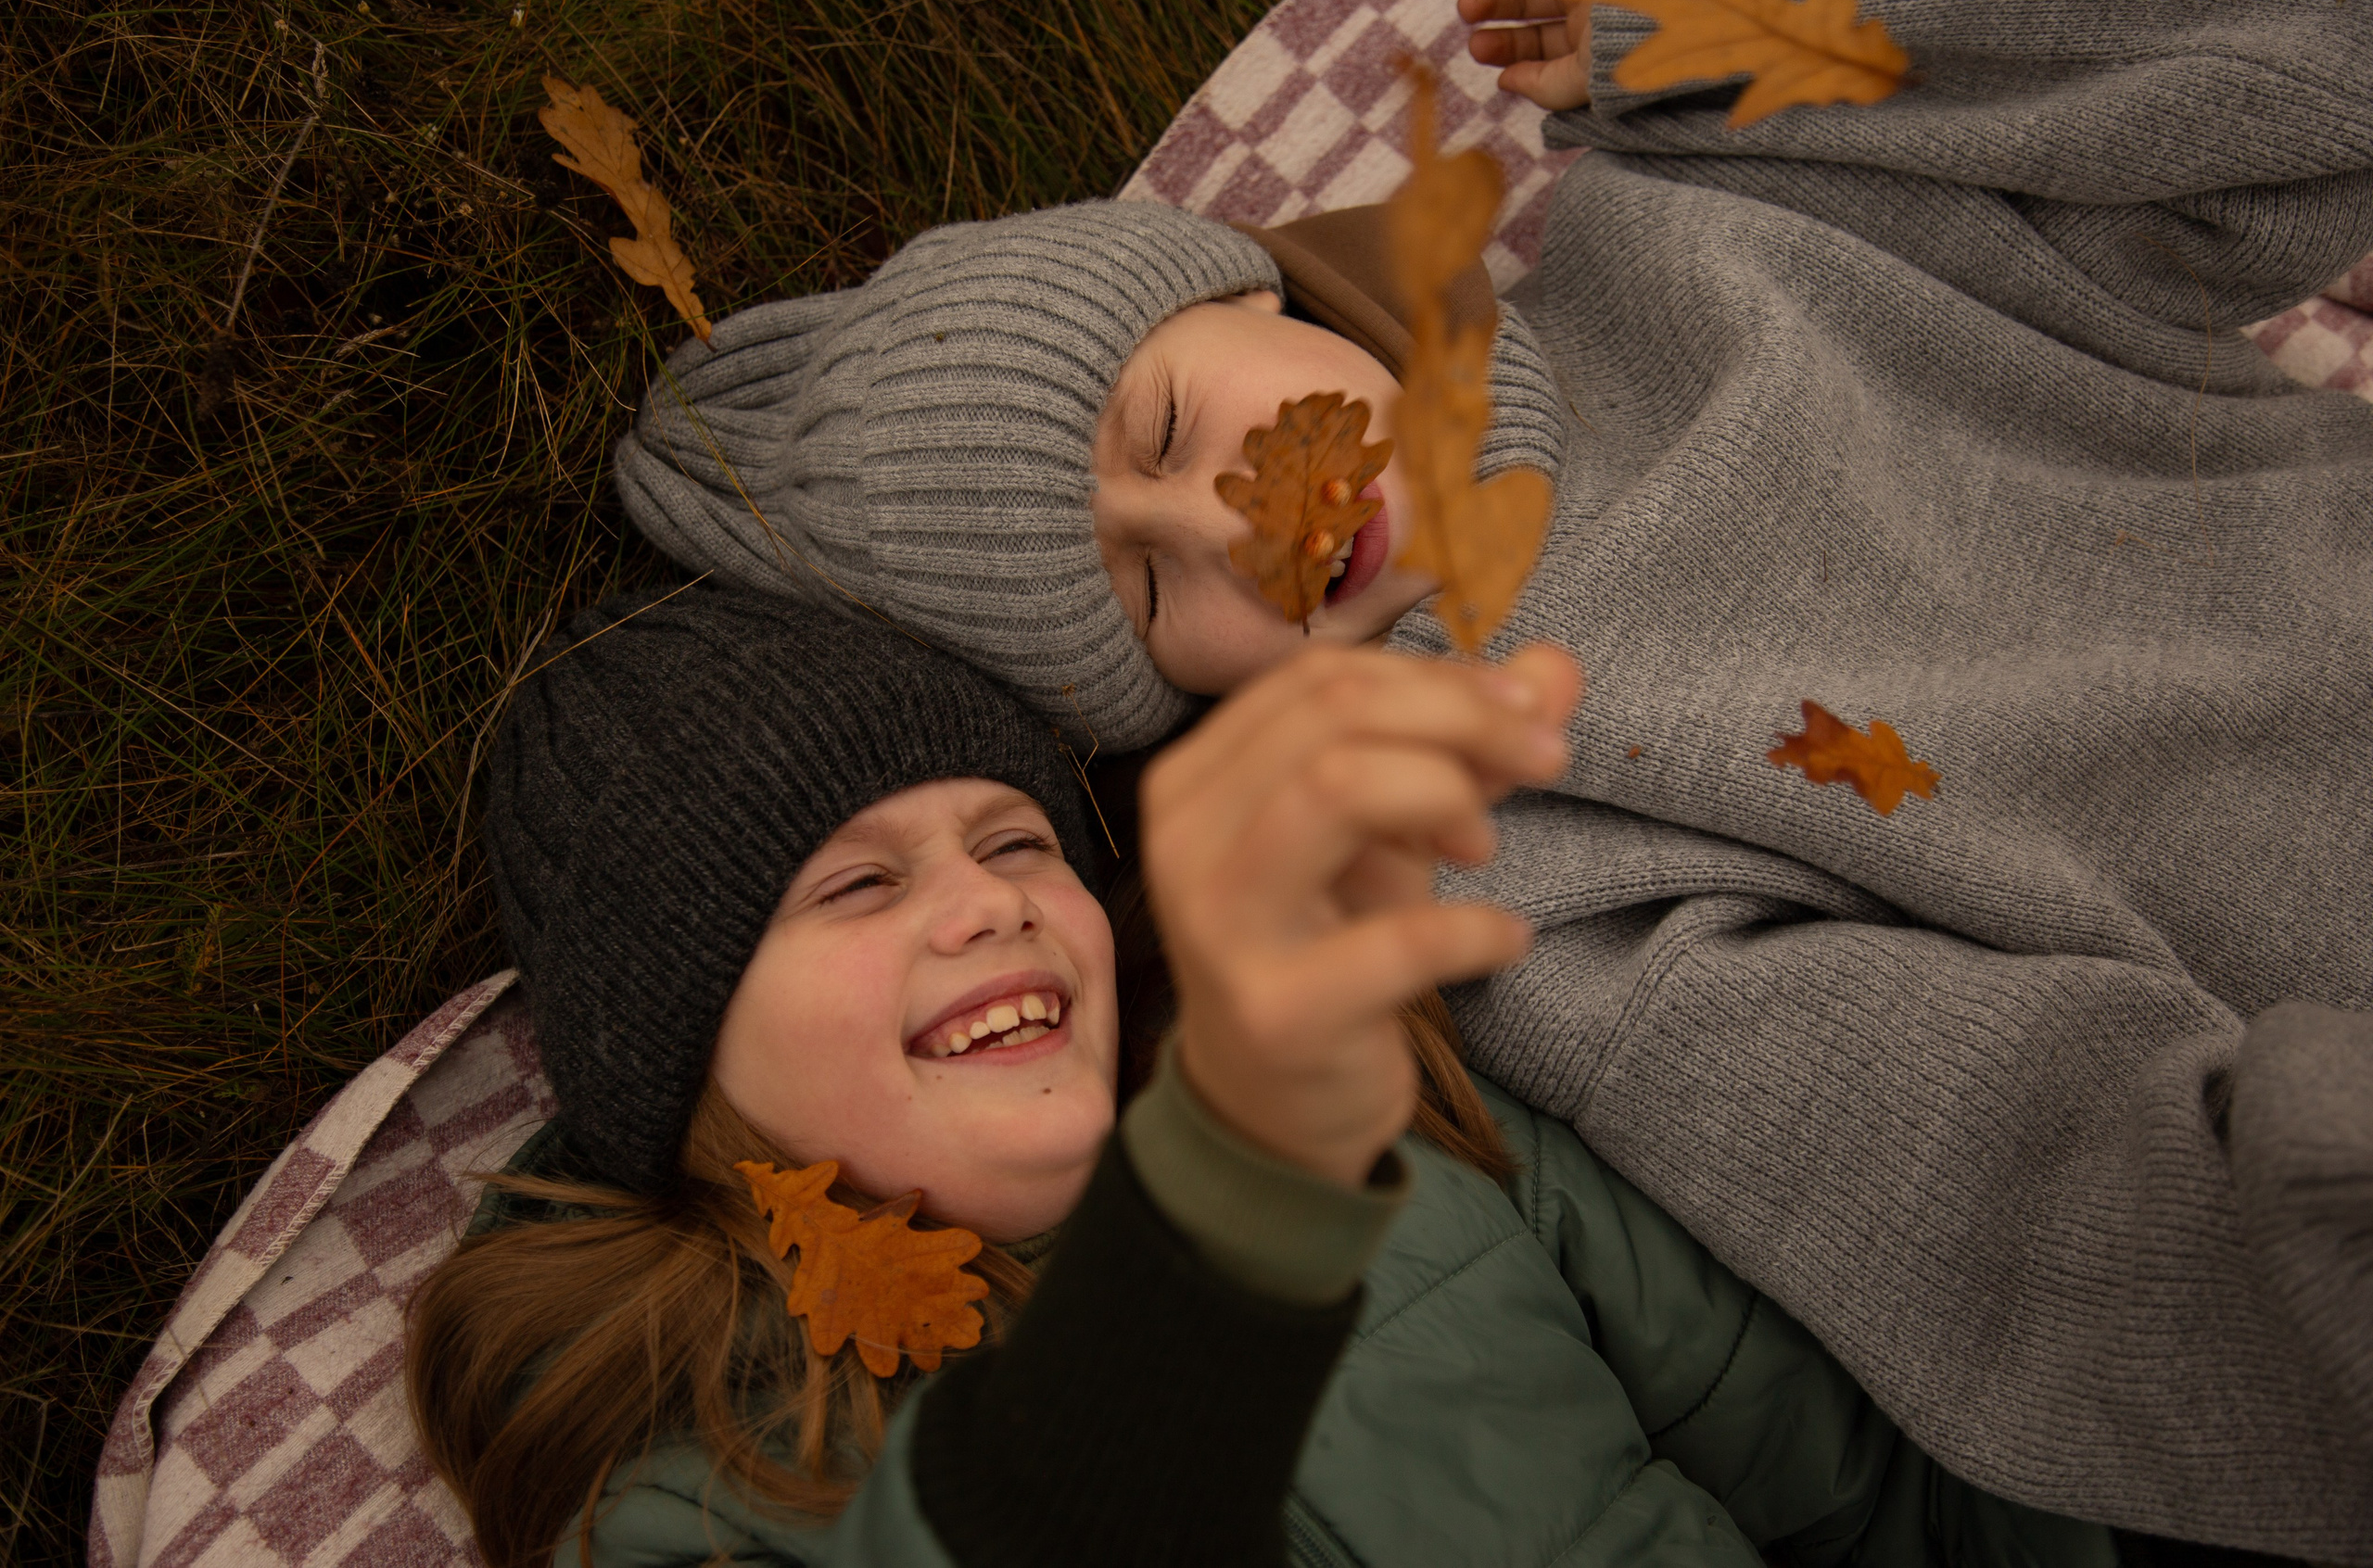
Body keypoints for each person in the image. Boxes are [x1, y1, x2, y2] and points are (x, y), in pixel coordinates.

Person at [604, 0, 2373, 1554]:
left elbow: (2300, 89)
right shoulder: (1490, 861)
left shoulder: (1713, 225)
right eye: (1142, 597)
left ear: (1233, 281)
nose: (1243, 530)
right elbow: (2009, 1181)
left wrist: (1784, 45)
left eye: (1159, 425)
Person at [405, 584, 2126, 1568]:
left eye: (1015, 838)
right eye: (857, 886)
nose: (990, 899)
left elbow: (1860, 1489)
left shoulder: (1405, 1136)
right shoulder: (702, 1491)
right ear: (687, 1063)